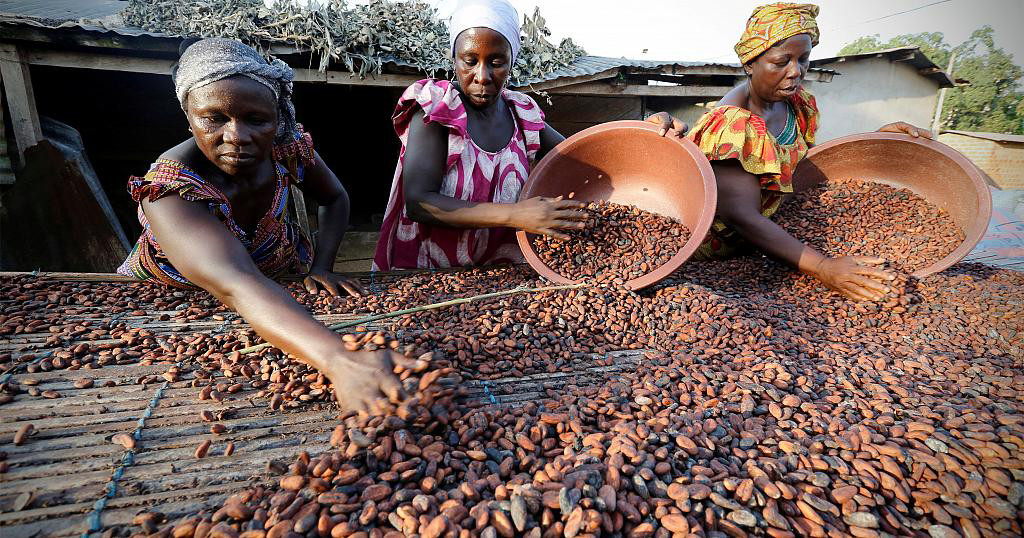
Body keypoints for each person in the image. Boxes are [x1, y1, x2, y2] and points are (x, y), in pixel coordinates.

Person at [117, 38, 407, 414]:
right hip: (176, 306)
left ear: (277, 118)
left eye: (257, 120)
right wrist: (340, 359)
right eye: (214, 118)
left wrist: (322, 265)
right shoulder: (168, 190)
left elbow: (335, 198)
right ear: (188, 116)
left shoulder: (287, 148)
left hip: (273, 290)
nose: (237, 137)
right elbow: (235, 282)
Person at [647, 3, 933, 302]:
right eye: (782, 61)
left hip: (775, 238)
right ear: (750, 64)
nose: (796, 71)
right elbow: (742, 217)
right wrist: (823, 267)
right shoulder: (732, 125)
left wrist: (874, 144)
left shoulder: (797, 105)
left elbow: (806, 165)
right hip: (723, 254)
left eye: (804, 59)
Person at [372, 0, 588, 271]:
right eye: (470, 61)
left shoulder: (523, 114)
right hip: (431, 278)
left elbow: (582, 155)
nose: (482, 76)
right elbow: (419, 202)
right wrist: (516, 214)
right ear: (454, 59)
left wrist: (645, 129)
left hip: (504, 278)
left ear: (511, 62)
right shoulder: (437, 108)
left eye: (496, 62)